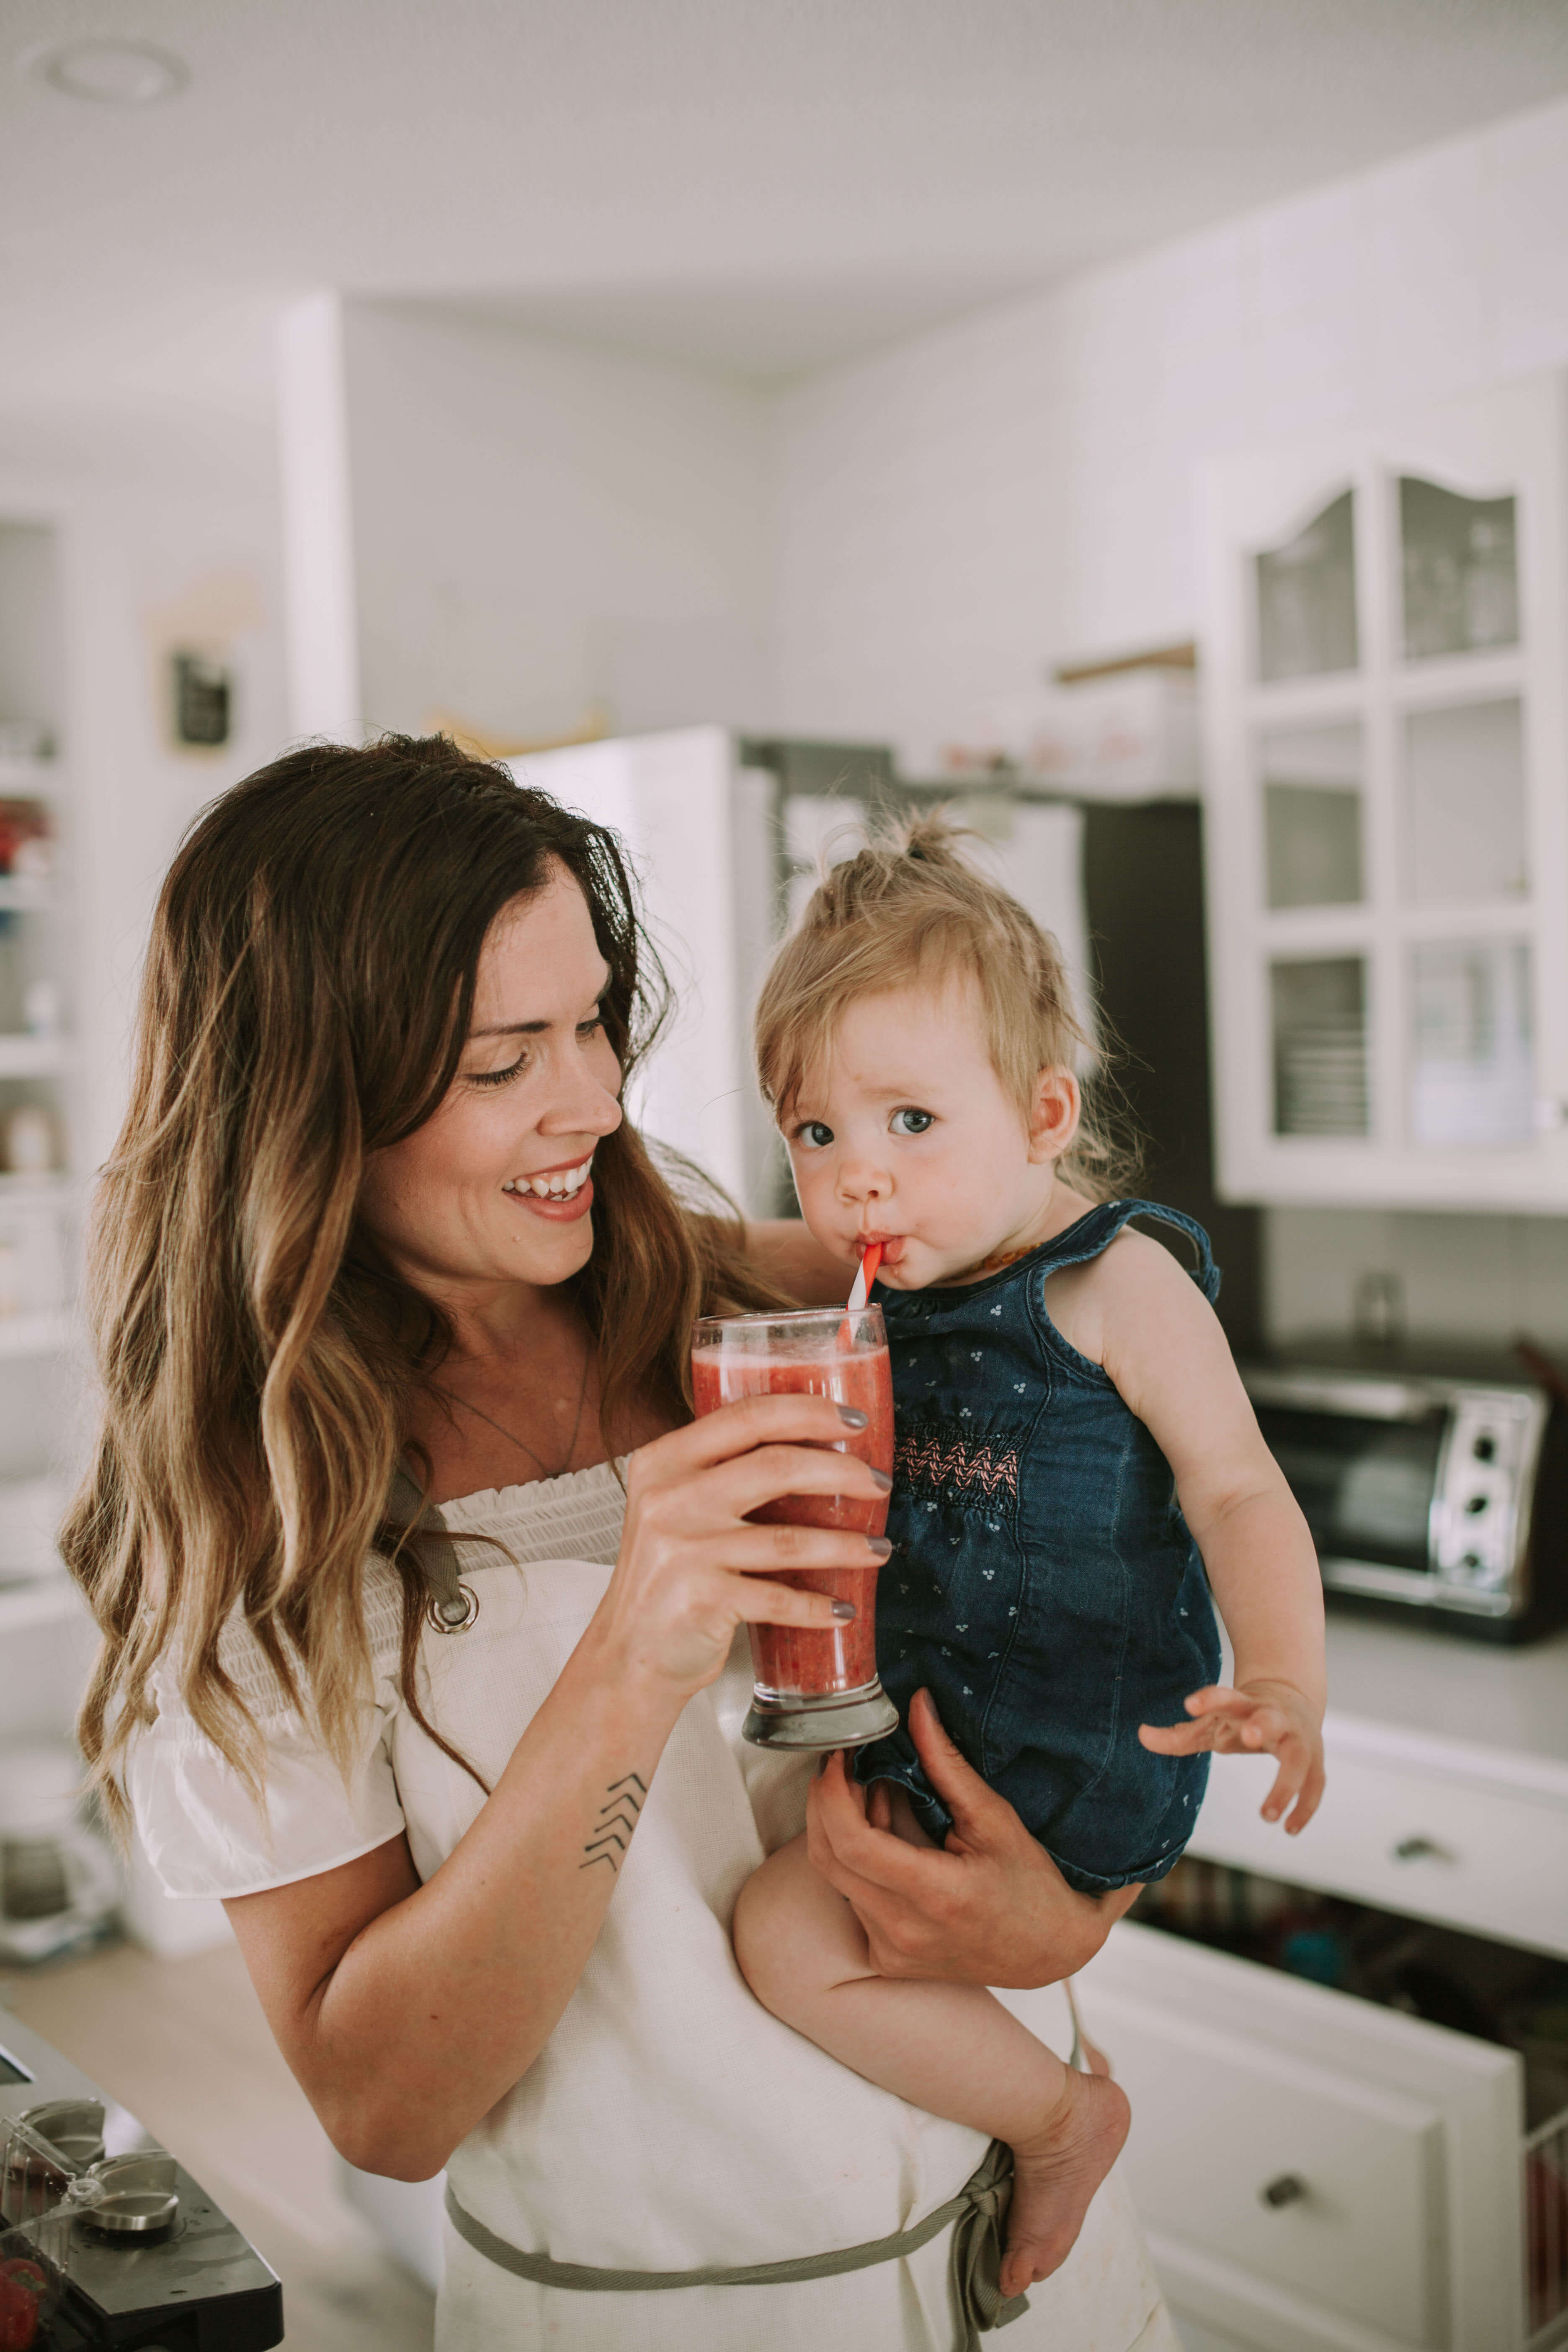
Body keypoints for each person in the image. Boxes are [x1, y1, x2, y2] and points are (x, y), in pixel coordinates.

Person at [62, 737, 1181, 2351]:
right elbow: (384, 2106)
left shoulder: (734, 1295)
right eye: (502, 1060)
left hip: (1042, 2268)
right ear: (310, 1105)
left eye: (591, 1022)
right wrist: (633, 1657)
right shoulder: (252, 1527)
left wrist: (1081, 1903)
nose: (594, 1100)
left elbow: (1103, 1447)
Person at [734, 813, 1327, 2300]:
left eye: (910, 1122)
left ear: (1046, 1115)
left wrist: (1287, 1678)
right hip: (933, 1739)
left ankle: (1068, 2124)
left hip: (1078, 1752)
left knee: (789, 1938)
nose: (859, 1181)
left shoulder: (1113, 1280)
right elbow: (702, 1248)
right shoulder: (893, 1261)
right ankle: (1048, 2096)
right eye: (817, 1135)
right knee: (780, 1935)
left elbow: (1243, 1492)